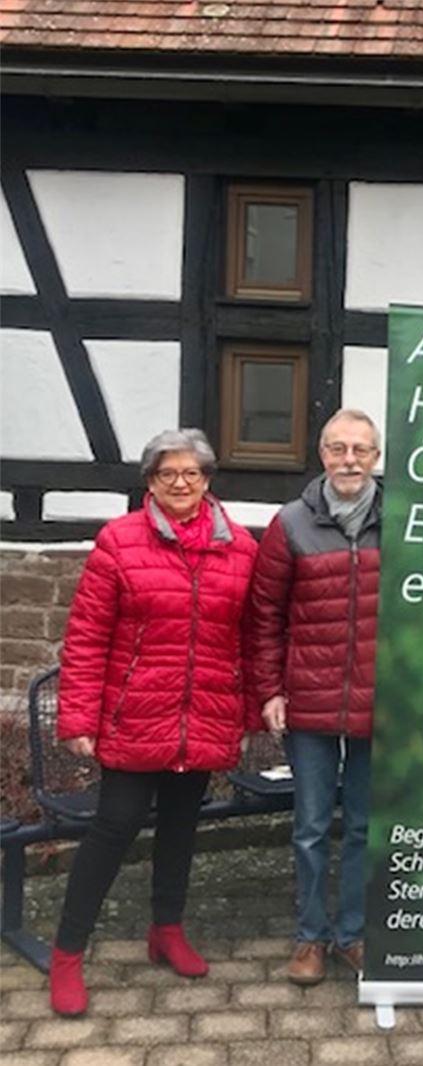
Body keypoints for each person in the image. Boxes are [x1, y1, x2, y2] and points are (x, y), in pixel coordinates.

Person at [48, 429, 258, 1017]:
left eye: (192, 473)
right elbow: (87, 637)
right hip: (135, 714)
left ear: (208, 480)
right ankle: (67, 953)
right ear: (150, 482)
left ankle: (166, 930)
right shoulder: (118, 542)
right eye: (168, 474)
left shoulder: (240, 547)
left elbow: (247, 637)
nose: (181, 484)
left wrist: (246, 709)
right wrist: (78, 716)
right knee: (115, 826)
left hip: (205, 713)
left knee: (182, 826)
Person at [247, 408, 381, 985]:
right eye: (337, 448)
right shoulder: (290, 524)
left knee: (363, 825)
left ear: (376, 457)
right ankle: (310, 938)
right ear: (321, 454)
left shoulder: (407, 519)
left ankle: (352, 934)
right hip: (310, 695)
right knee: (308, 827)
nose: (349, 460)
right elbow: (265, 614)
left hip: (383, 698)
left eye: (361, 449)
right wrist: (271, 689)